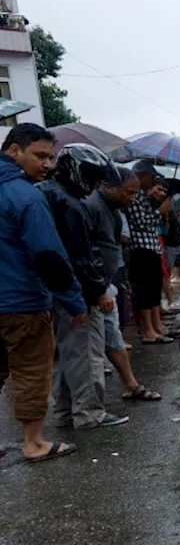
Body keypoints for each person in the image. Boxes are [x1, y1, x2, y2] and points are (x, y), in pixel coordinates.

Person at [0, 124, 84, 462]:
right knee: (32, 370)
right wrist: (74, 301)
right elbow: (49, 256)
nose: (47, 164)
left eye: (50, 157)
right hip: (22, 302)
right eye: (40, 156)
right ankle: (34, 443)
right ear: (14, 150)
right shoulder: (26, 196)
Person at [38, 143, 129, 430]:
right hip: (77, 292)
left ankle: (67, 411)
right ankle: (89, 413)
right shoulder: (70, 205)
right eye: (92, 179)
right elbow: (81, 257)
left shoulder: (48, 194)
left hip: (56, 291)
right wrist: (98, 290)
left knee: (68, 354)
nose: (93, 186)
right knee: (87, 353)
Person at [85, 164, 161, 403]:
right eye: (128, 193)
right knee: (90, 348)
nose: (132, 198)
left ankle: (131, 385)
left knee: (113, 336)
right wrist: (99, 287)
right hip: (93, 287)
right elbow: (87, 252)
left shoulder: (113, 210)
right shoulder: (91, 207)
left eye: (135, 194)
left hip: (105, 284)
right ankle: (87, 411)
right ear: (109, 187)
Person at [123, 161, 175, 343]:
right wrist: (160, 212)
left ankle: (156, 327)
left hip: (150, 247)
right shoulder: (135, 196)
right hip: (140, 248)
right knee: (143, 291)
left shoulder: (144, 197)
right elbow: (141, 223)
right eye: (151, 177)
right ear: (141, 175)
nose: (153, 181)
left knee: (153, 289)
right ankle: (147, 331)